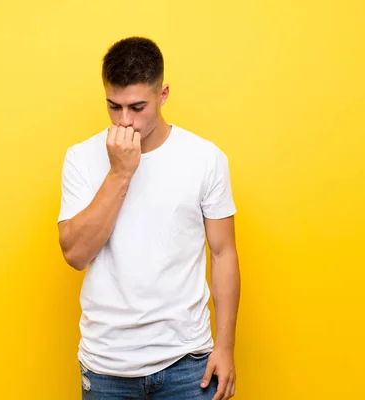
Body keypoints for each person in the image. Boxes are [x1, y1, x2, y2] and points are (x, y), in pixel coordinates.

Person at [57, 36, 241, 400]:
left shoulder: (205, 158)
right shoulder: (80, 158)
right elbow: (75, 255)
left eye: (137, 107)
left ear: (163, 94)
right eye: (114, 106)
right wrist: (120, 173)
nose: (126, 121)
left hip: (188, 363)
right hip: (107, 365)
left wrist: (225, 347)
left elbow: (223, 254)